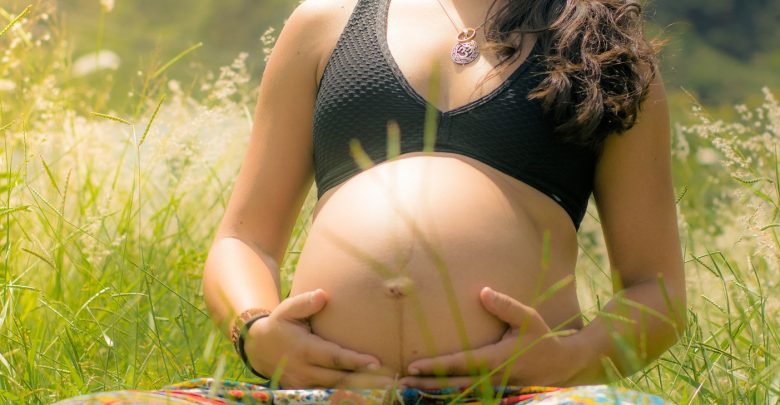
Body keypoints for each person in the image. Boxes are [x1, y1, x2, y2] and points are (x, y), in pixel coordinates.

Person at [202, 0, 687, 398]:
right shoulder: (325, 22)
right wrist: (256, 332)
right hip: (322, 395)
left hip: (528, 396)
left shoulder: (605, 49)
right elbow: (244, 241)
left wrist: (568, 361)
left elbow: (656, 291)